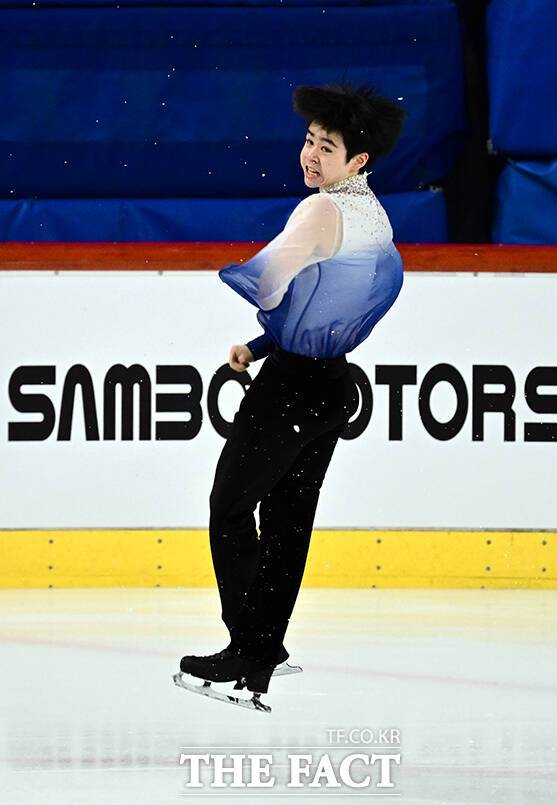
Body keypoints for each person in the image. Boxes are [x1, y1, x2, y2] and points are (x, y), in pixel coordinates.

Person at [180, 80, 407, 699]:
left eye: (327, 148)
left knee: (229, 508)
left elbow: (269, 281)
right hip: (330, 386)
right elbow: (334, 303)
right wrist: (260, 346)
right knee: (287, 525)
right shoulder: (372, 213)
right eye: (309, 140)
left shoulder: (320, 211)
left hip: (288, 390)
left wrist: (265, 321)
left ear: (357, 160)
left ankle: (248, 647)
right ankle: (262, 653)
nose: (310, 156)